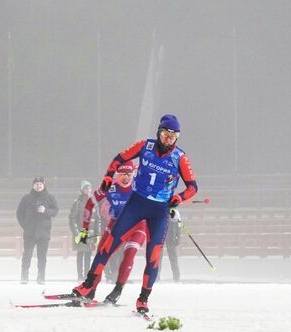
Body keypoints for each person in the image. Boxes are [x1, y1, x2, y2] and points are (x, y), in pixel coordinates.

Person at [72, 114, 198, 314]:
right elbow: (118, 159)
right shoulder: (145, 146)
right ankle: (89, 285)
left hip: (160, 210)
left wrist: (179, 198)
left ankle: (143, 299)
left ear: (177, 138)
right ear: (159, 132)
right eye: (165, 134)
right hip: (137, 203)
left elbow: (193, 187)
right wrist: (107, 177)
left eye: (173, 137)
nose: (168, 140)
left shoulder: (180, 157)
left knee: (153, 255)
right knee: (108, 243)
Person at [77, 161, 147, 304]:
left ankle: (117, 291)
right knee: (101, 254)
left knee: (129, 254)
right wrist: (84, 230)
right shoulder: (110, 187)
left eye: (129, 174)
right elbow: (89, 204)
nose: (126, 178)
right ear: (117, 174)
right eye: (122, 174)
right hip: (116, 225)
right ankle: (91, 290)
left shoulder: (140, 187)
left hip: (138, 226)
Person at [16, 176, 59, 284]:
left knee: (42, 256)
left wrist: (45, 210)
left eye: (40, 184)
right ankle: (24, 275)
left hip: (44, 232)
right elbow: (19, 213)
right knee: (27, 254)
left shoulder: (50, 198)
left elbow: (55, 211)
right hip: (29, 232)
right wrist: (25, 226)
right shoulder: (26, 198)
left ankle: (41, 277)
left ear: (44, 185)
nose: (38, 186)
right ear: (33, 185)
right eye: (36, 184)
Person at [69, 180, 101, 281]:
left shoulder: (94, 202)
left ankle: (87, 274)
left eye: (89, 188)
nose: (88, 190)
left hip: (91, 233)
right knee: (80, 254)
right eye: (86, 188)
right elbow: (72, 218)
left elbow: (98, 219)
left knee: (88, 254)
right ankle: (80, 275)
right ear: (82, 190)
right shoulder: (78, 203)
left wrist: (98, 234)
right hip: (82, 233)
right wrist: (76, 233)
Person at [158, 209, 182, 283]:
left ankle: (176, 278)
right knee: (157, 259)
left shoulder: (175, 211)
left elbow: (179, 224)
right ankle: (156, 278)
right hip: (160, 236)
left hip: (171, 236)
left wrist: (178, 236)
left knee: (173, 259)